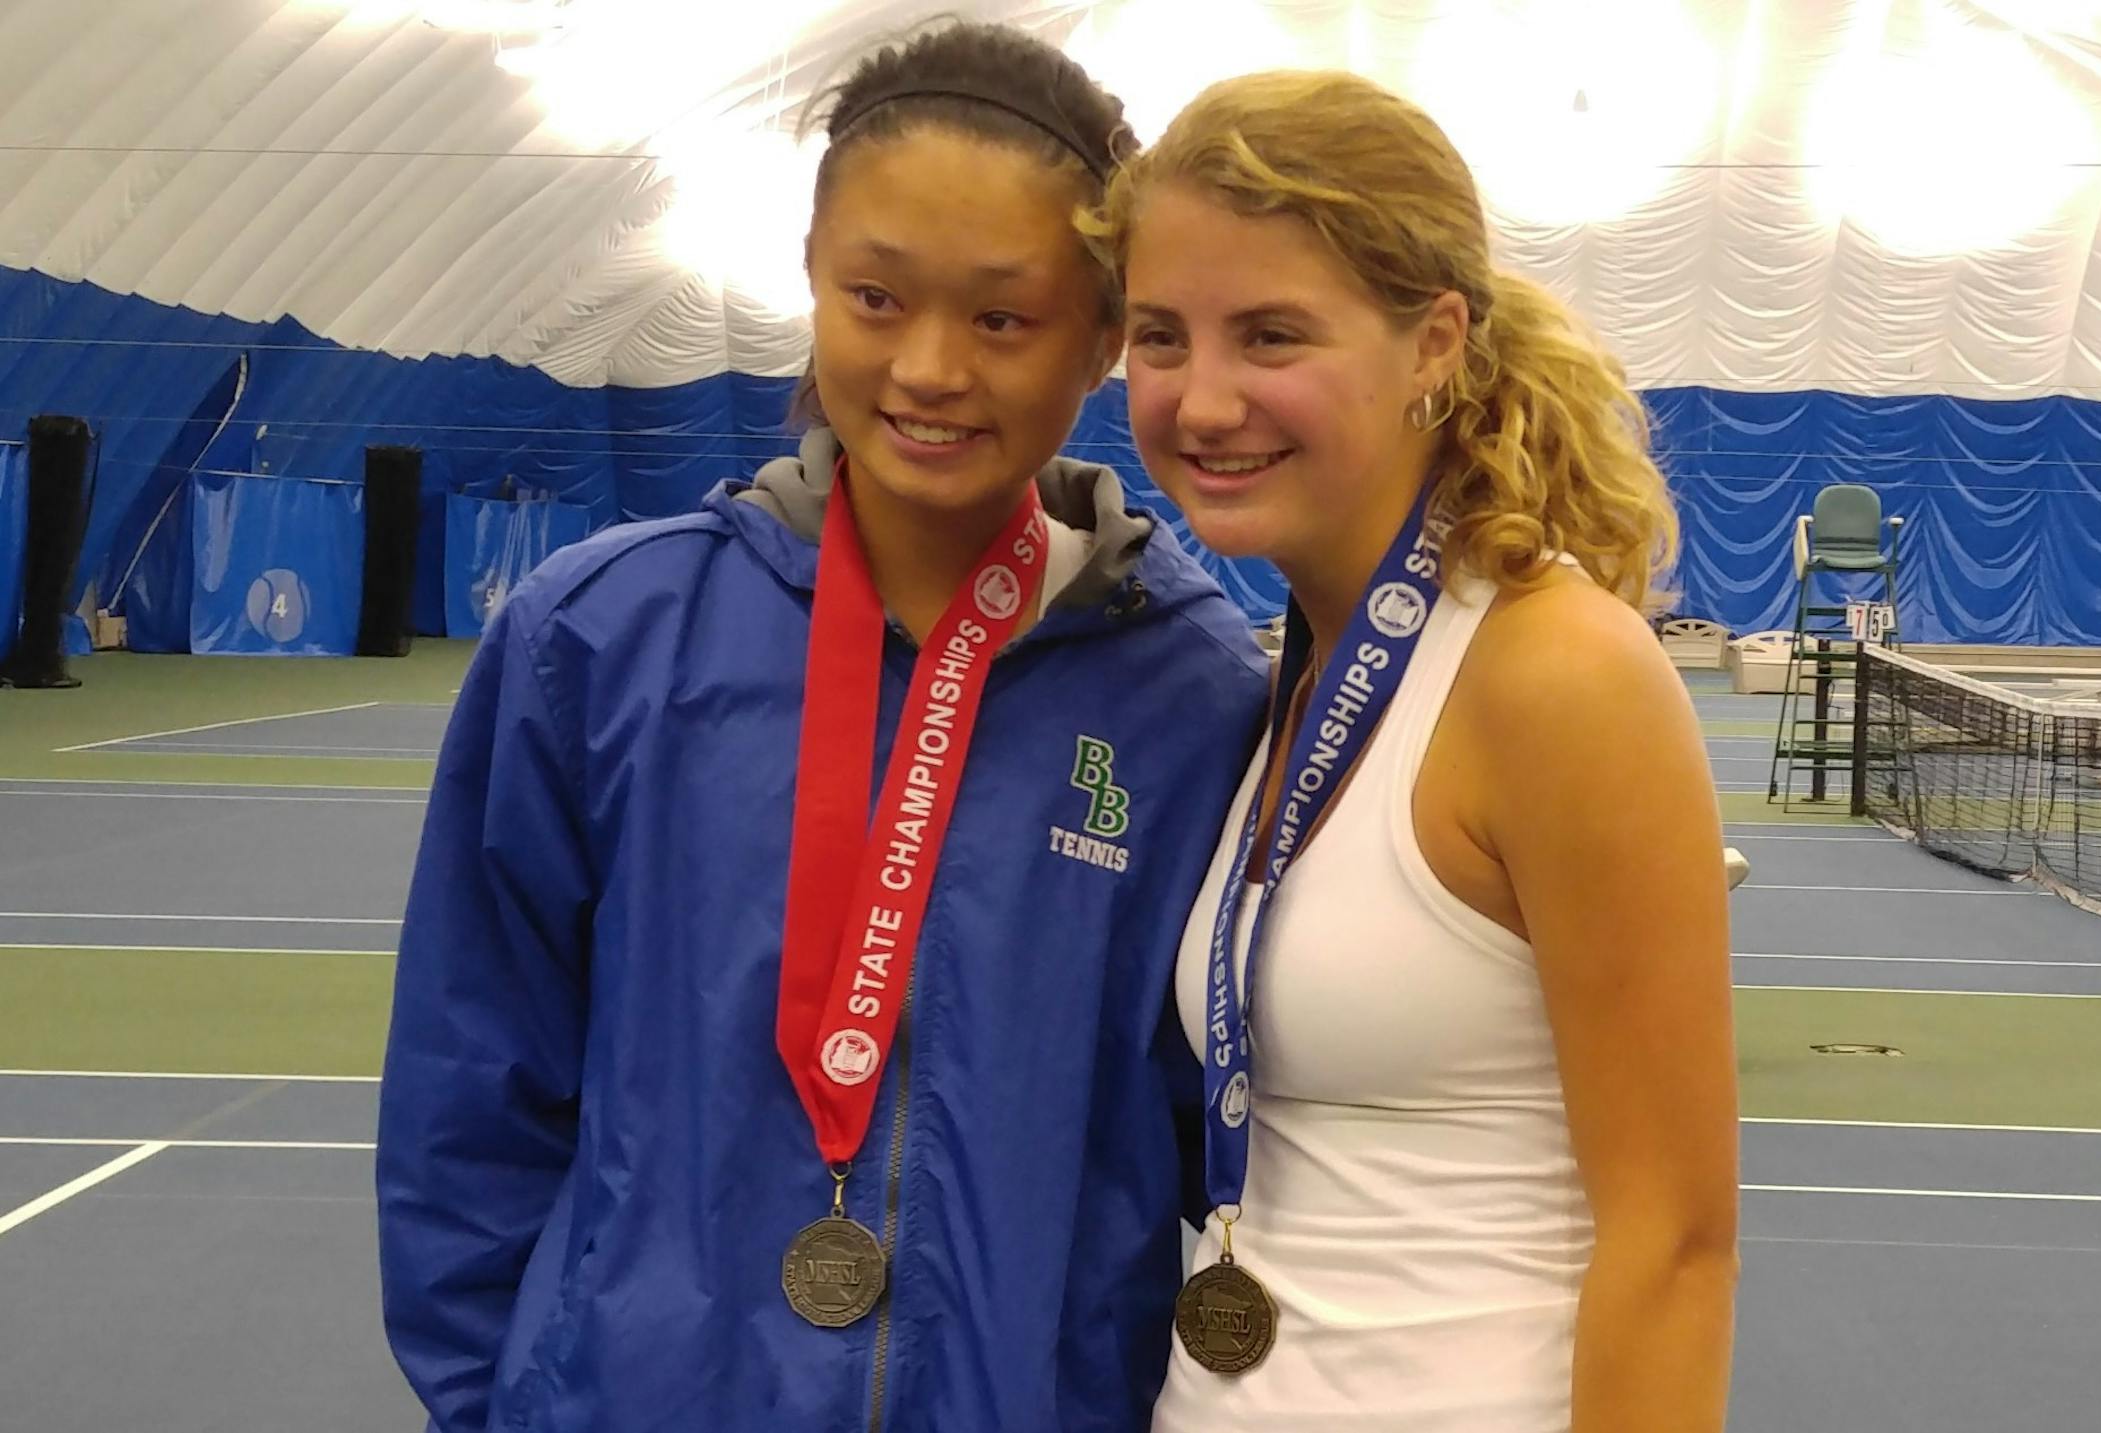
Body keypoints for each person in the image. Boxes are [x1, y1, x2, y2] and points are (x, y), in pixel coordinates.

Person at [374, 23, 1266, 1433]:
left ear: (1103, 338)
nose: (929, 367)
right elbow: (470, 1089)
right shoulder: (598, 639)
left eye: (1003, 319)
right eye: (875, 297)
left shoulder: (1193, 693)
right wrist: (508, 1404)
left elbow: (1213, 1123)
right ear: (810, 277)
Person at [1083, 70, 1739, 1432]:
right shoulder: (1286, 674)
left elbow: (1676, 1246)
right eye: (1160, 337)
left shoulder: (1558, 675)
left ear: (1434, 341)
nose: (1202, 401)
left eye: (1271, 335)